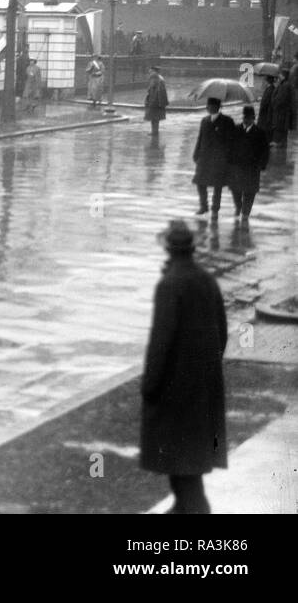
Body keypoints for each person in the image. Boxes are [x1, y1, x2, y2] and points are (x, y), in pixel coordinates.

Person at [140, 219, 227, 514]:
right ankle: (184, 508)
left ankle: (191, 513)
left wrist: (150, 385)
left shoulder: (169, 284)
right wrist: (207, 369)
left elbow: (160, 341)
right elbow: (222, 332)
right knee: (191, 463)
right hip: (204, 386)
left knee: (180, 462)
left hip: (176, 390)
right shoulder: (206, 279)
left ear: (168, 249)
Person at [192, 97, 235, 219]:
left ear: (217, 107)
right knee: (200, 182)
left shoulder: (227, 121)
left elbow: (232, 140)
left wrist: (228, 157)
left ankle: (215, 208)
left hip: (219, 159)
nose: (207, 108)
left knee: (217, 185)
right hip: (204, 158)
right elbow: (200, 138)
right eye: (207, 105)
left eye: (210, 106)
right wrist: (196, 154)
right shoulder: (204, 121)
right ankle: (203, 206)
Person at [229, 105, 268, 223]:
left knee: (250, 191)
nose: (247, 120)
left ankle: (245, 213)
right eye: (245, 117)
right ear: (243, 117)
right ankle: (238, 206)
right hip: (237, 166)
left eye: (250, 118)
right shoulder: (236, 129)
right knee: (236, 189)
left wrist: (262, 164)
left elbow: (265, 150)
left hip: (252, 168)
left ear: (253, 118)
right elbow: (229, 147)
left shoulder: (260, 132)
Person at [144, 66, 169, 138]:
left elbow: (154, 91)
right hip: (158, 102)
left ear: (154, 71)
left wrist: (151, 102)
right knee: (155, 118)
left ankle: (154, 132)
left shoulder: (155, 78)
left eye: (151, 71)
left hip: (155, 102)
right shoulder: (159, 78)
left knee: (154, 118)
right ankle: (155, 131)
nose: (149, 72)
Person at [272, 68, 293, 151]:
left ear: (283, 76)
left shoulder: (285, 85)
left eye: (280, 74)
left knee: (280, 125)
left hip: (281, 111)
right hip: (283, 110)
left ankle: (279, 143)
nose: (279, 76)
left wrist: (274, 104)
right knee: (282, 126)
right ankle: (282, 142)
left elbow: (280, 99)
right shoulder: (285, 84)